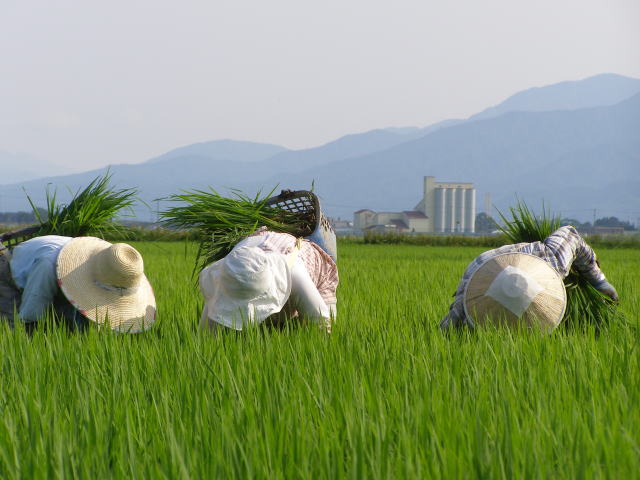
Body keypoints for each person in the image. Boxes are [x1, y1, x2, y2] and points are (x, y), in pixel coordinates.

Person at [441, 225, 618, 330]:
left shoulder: (552, 260)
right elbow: (451, 323)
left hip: (531, 258)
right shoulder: (474, 280)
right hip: (487, 264)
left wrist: (598, 280)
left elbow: (571, 235)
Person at [0, 235, 156, 333]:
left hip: (45, 268)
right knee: (13, 329)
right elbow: (31, 313)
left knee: (69, 322)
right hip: (9, 272)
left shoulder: (110, 266)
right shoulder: (47, 267)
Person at [199, 227, 338, 333]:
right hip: (258, 245)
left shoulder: (295, 273)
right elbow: (206, 331)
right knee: (265, 324)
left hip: (310, 264)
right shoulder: (230, 271)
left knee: (314, 322)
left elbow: (321, 321)